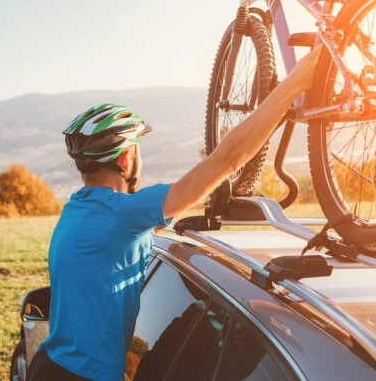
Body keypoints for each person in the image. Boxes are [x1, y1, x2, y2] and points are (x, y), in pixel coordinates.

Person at [27, 47, 320, 381]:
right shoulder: (121, 216)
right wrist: (293, 85)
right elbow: (227, 159)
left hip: (49, 366)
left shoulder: (76, 210)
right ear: (126, 160)